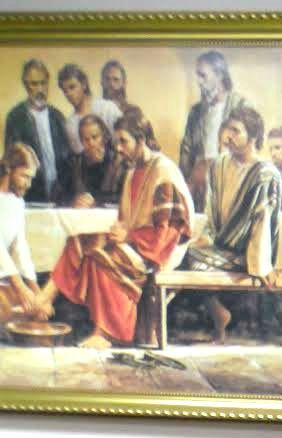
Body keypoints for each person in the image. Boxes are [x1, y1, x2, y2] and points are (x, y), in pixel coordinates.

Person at [33, 109, 193, 348]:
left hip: (159, 251)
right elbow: (126, 220)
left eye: (123, 141)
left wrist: (128, 235)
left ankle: (109, 333)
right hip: (137, 243)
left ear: (141, 139)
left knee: (100, 256)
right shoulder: (133, 171)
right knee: (78, 241)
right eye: (116, 142)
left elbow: (168, 232)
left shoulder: (163, 171)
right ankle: (44, 298)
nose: (117, 148)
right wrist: (124, 234)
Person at [184, 106, 281, 341]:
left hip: (247, 253)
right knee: (182, 253)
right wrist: (206, 236)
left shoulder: (265, 173)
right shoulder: (219, 166)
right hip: (219, 246)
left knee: (189, 259)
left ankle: (219, 314)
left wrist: (261, 266)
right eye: (227, 129)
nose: (228, 136)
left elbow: (262, 222)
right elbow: (211, 211)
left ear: (253, 137)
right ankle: (217, 312)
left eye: (236, 131)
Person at [179, 50, 245, 209]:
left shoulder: (240, 107)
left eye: (203, 75)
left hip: (231, 188)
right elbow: (186, 151)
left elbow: (247, 150)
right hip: (199, 190)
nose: (198, 81)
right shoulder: (196, 112)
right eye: (197, 76)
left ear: (220, 75)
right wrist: (185, 184)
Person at [3, 59, 72, 203]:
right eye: (34, 84)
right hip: (30, 192)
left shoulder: (57, 117)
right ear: (25, 85)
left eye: (43, 83)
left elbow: (67, 158)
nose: (40, 89)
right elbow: (12, 160)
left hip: (60, 193)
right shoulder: (16, 117)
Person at [0, 143, 42, 322]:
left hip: (4, 278)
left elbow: (20, 248)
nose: (28, 184)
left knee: (38, 311)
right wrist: (19, 287)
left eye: (31, 178)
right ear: (9, 169)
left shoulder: (17, 202)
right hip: (5, 277)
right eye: (25, 176)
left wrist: (35, 290)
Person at [57, 63, 123, 155]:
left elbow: (123, 139)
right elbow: (80, 156)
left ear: (84, 84)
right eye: (65, 91)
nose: (69, 94)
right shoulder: (70, 125)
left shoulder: (107, 108)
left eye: (72, 87)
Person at [69, 114, 126, 208]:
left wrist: (97, 202)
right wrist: (73, 201)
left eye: (95, 137)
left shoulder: (118, 162)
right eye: (86, 139)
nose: (91, 143)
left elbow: (125, 197)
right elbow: (59, 195)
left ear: (103, 136)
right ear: (81, 141)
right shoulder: (74, 163)